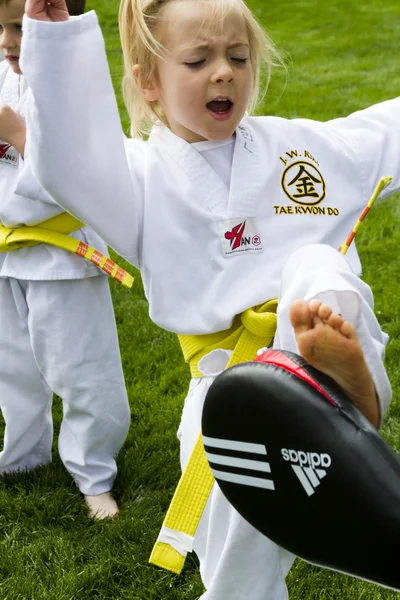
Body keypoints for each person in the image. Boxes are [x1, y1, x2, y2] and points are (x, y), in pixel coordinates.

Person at [20, 0, 400, 597]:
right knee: (234, 563)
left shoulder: (297, 148)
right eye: (198, 60)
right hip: (229, 398)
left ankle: (352, 384)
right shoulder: (139, 178)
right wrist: (56, 37)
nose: (224, 71)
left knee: (318, 266)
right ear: (149, 80)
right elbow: (71, 157)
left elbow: (381, 133)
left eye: (238, 57)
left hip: (311, 362)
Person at [0, 0, 131, 520]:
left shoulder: (74, 85)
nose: (8, 40)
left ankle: (94, 471)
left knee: (82, 369)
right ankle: (24, 453)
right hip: (6, 252)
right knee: (11, 367)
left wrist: (18, 135)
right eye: (0, 27)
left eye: (18, 27)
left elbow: (85, 175)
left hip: (61, 255)